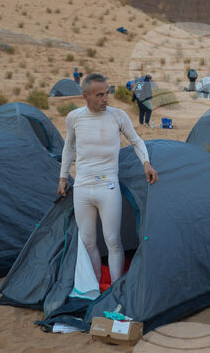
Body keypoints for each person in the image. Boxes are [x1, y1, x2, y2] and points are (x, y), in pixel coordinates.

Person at [58, 73, 158, 285]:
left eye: (107, 93)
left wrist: (146, 163)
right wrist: (62, 177)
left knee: (113, 240)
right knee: (88, 241)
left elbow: (136, 141)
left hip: (108, 186)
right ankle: (96, 286)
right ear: (85, 96)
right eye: (99, 95)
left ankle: (115, 287)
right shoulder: (74, 118)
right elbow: (68, 147)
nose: (105, 98)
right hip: (82, 186)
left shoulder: (118, 116)